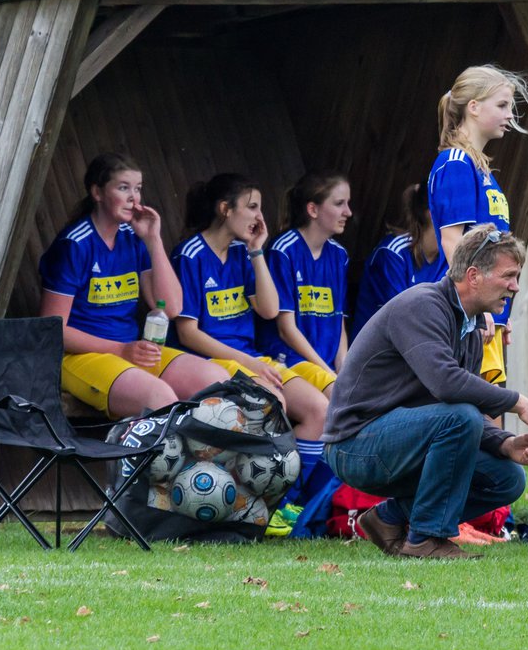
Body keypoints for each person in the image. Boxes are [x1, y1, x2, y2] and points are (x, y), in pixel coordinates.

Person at [323, 225, 528, 559]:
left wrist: (503, 444)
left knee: (507, 478)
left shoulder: (471, 328)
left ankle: (388, 519)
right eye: (509, 276)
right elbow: (446, 384)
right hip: (354, 446)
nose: (515, 287)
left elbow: (459, 404)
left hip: (400, 442)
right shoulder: (422, 305)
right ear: (473, 275)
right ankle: (425, 539)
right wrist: (520, 403)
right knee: (458, 418)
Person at [38, 153, 231, 418]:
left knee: (217, 381)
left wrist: (153, 240)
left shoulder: (133, 238)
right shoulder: (75, 244)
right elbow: (52, 329)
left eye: (138, 189)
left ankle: (201, 459)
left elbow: (172, 307)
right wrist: (119, 349)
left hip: (131, 350)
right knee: (159, 398)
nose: (134, 198)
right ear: (97, 192)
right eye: (123, 188)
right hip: (80, 357)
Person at [169, 172, 331, 480]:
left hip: (250, 360)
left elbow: (269, 310)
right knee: (274, 403)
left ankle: (290, 501)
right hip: (211, 362)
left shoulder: (243, 253)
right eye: (252, 207)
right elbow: (187, 333)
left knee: (318, 410)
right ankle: (253, 492)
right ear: (225, 209)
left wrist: (257, 251)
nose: (259, 216)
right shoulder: (190, 254)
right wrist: (248, 363)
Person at [427, 64, 528, 384]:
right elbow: (453, 242)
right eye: (502, 105)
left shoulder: (481, 168)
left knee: (492, 414)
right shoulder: (456, 163)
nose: (510, 115)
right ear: (473, 108)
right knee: (480, 418)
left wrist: (498, 307)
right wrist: (478, 306)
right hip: (465, 312)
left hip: (484, 312)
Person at [261, 172, 352, 397]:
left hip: (325, 365)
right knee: (342, 403)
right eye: (339, 203)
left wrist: (344, 369)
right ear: (313, 210)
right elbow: (286, 329)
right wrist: (326, 371)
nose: (348, 212)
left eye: (347, 204)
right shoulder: (283, 250)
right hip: (291, 359)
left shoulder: (339, 255)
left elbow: (338, 320)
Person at [352, 181, 441, 338]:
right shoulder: (393, 254)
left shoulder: (449, 259)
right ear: (431, 212)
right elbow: (402, 320)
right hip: (379, 355)